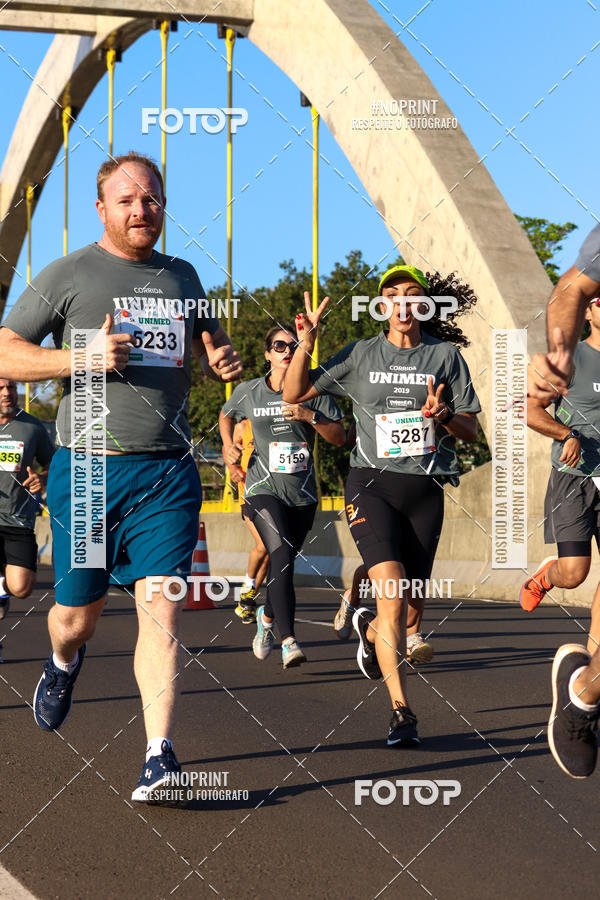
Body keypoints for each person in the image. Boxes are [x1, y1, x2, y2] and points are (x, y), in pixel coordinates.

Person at [0, 152, 242, 802]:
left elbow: (208, 338)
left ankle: (158, 758)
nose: (142, 210)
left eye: (153, 199)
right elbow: (4, 348)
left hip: (166, 474)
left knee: (162, 611)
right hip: (86, 475)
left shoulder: (183, 275)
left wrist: (218, 353)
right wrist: (79, 354)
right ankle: (62, 662)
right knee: (76, 617)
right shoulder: (72, 272)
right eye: (128, 200)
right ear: (102, 209)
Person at [284, 266, 481, 745]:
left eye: (413, 295)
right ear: (382, 306)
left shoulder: (445, 356)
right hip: (370, 483)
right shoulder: (360, 354)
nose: (402, 303)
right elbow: (293, 392)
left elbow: (471, 431)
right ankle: (402, 713)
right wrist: (307, 341)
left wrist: (446, 414)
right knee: (392, 592)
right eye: (391, 295)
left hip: (425, 490)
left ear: (426, 305)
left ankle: (371, 631)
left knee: (410, 611)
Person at [220, 324, 345, 668]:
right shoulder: (249, 391)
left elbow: (339, 438)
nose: (287, 351)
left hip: (302, 495)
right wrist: (228, 446)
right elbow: (226, 414)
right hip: (261, 488)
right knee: (281, 550)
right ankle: (289, 641)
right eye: (279, 345)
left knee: (283, 562)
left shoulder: (314, 391)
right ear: (267, 353)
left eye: (293, 345)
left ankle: (267, 618)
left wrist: (310, 415)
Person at [520, 298, 600, 637]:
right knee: (574, 573)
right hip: (575, 478)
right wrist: (566, 434)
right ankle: (548, 575)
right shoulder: (571, 359)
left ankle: (595, 658)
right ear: (587, 312)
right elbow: (531, 410)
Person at [0, 378, 55, 653]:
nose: (7, 393)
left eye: (11, 387)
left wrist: (41, 480)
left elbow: (56, 466)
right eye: (0, 388)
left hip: (18, 520)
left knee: (21, 588)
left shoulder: (32, 427)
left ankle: (3, 592)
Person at [229, 418, 269, 624]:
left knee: (270, 552)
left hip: (271, 493)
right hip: (248, 493)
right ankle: (246, 593)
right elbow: (229, 453)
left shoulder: (274, 420)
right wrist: (232, 466)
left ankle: (247, 601)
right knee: (263, 546)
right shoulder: (243, 427)